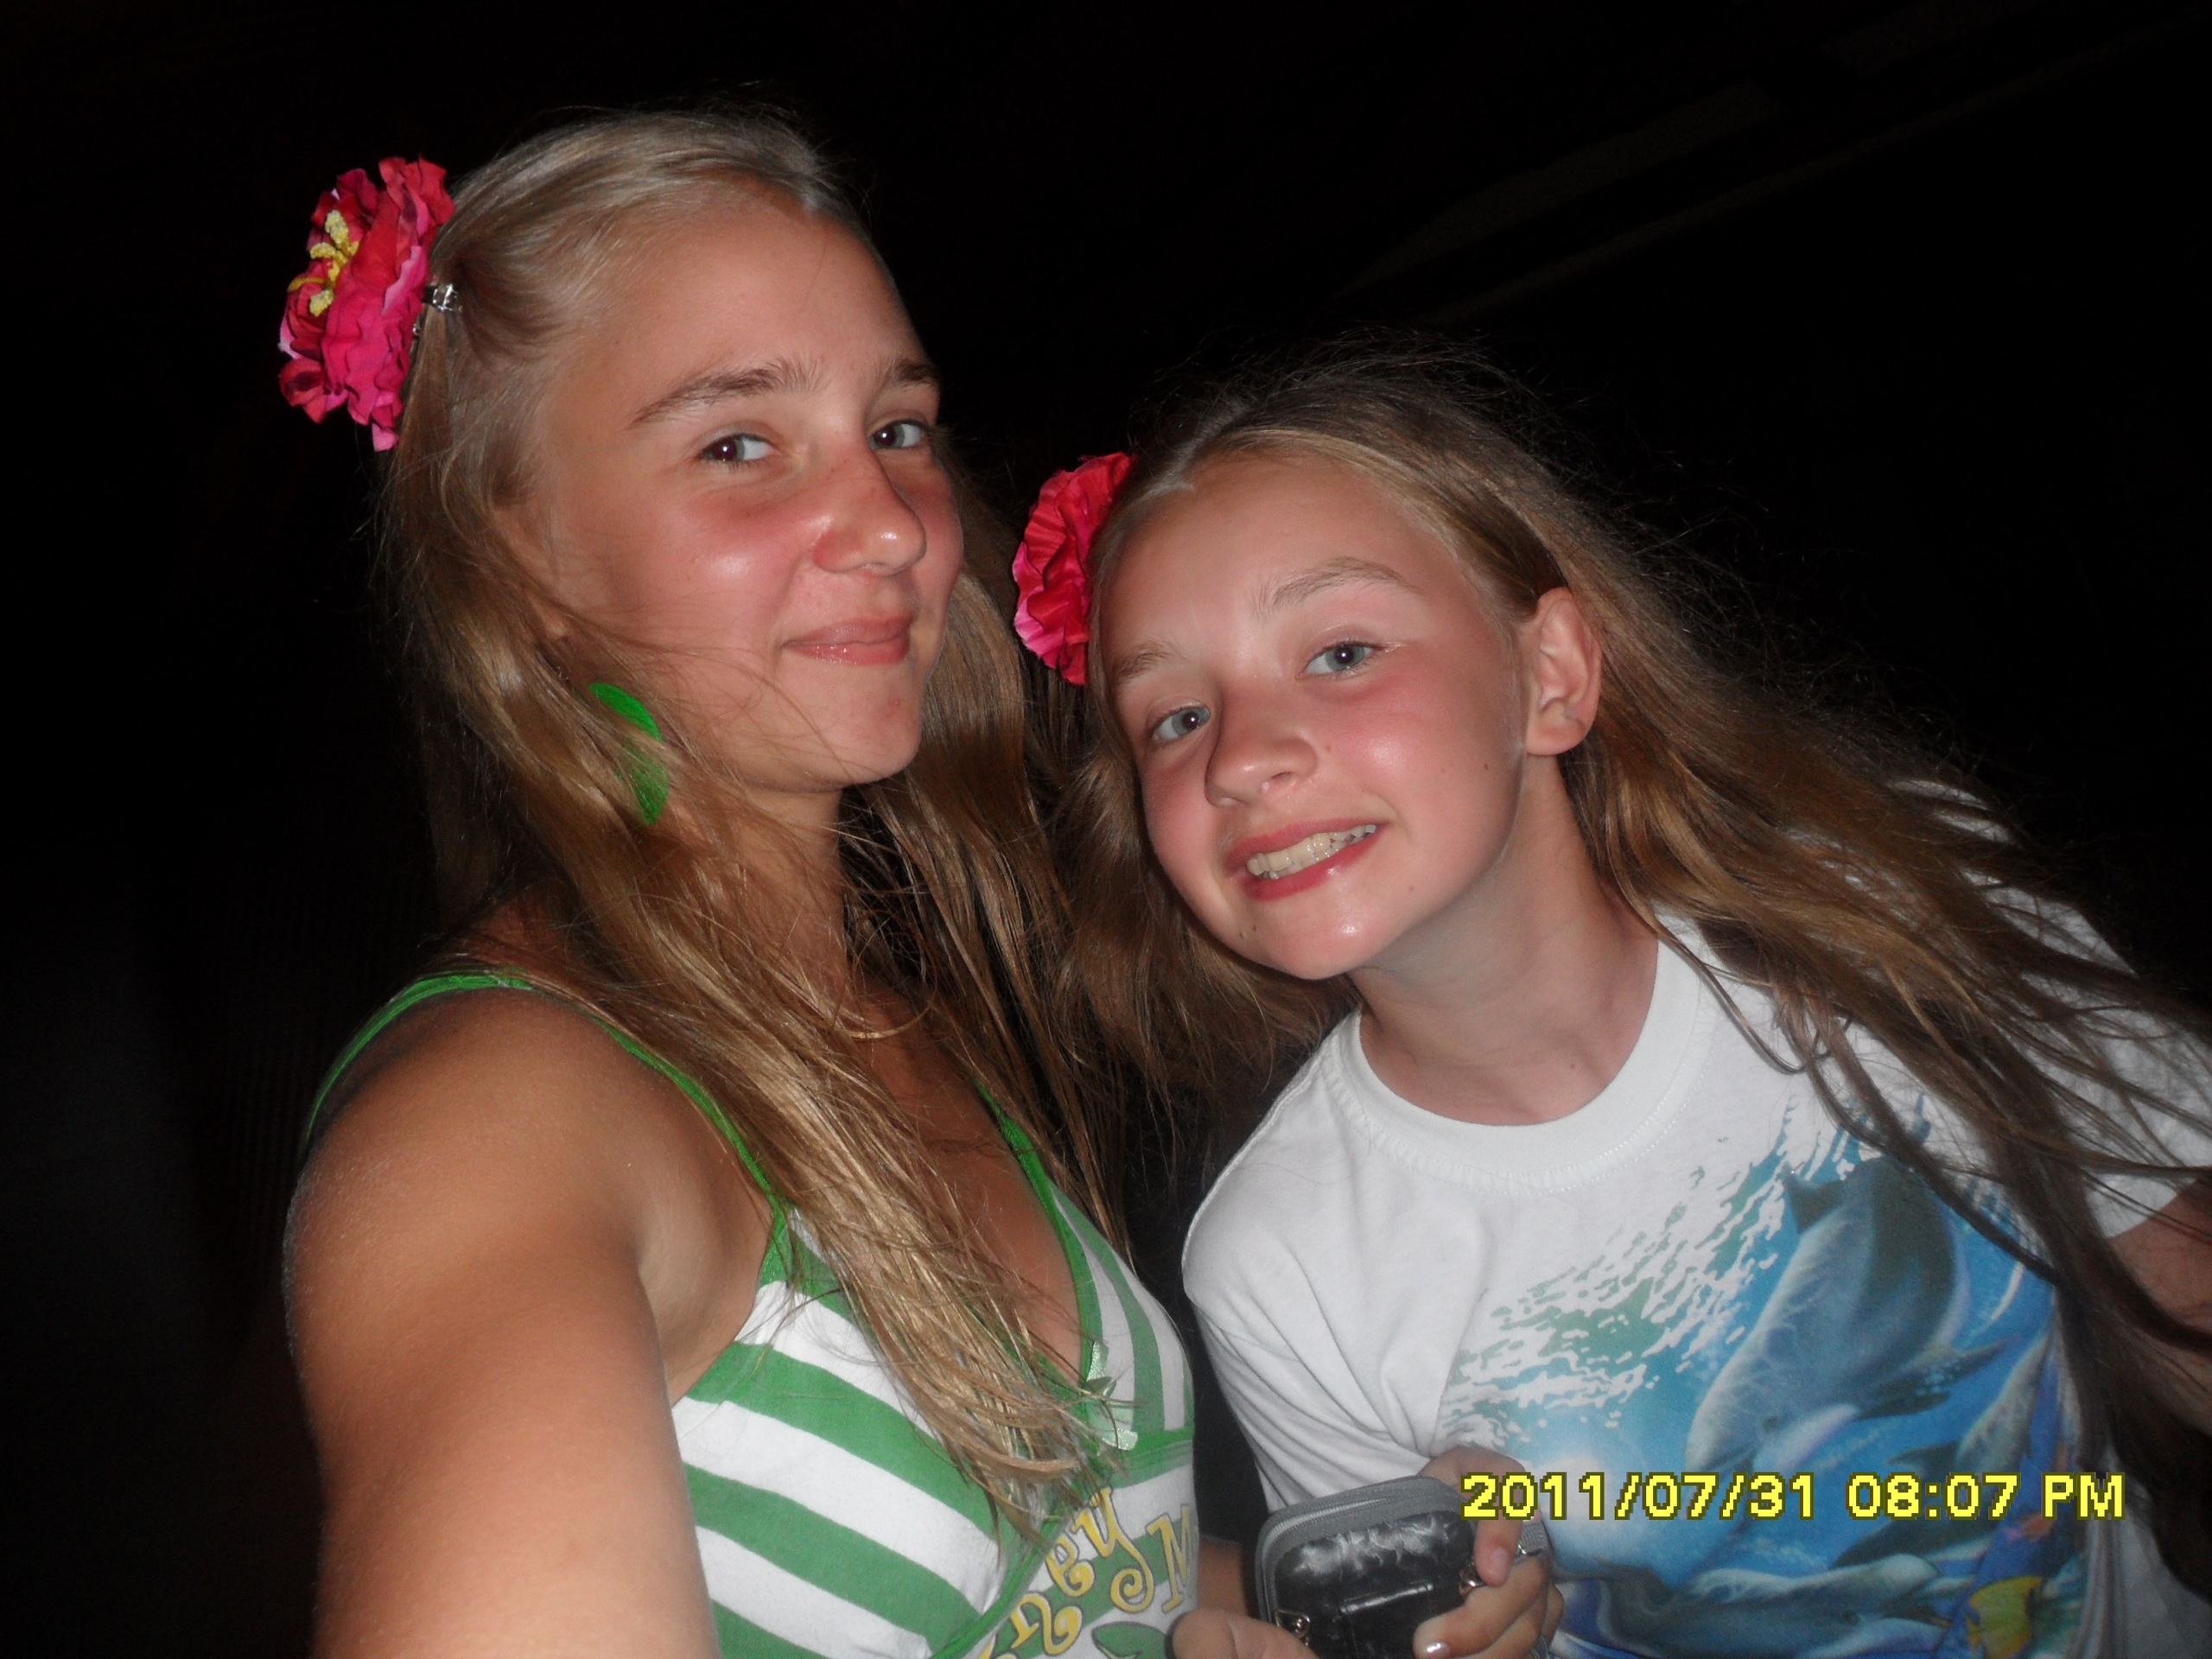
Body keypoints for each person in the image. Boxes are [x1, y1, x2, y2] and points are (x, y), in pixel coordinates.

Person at [278, 114, 1548, 1659]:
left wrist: (1336, 1599)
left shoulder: (890, 1020)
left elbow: (1096, 1577)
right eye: (739, 444)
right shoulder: (487, 1130)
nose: (892, 527)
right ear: (524, 552)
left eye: (897, 428)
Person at [1033, 338, 2212, 1657]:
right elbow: (1424, 1623)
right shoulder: (1282, 1259)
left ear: (1551, 674)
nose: (1243, 759)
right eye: (1176, 719)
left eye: (1343, 650)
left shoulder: (1881, 910)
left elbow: (2182, 1295)